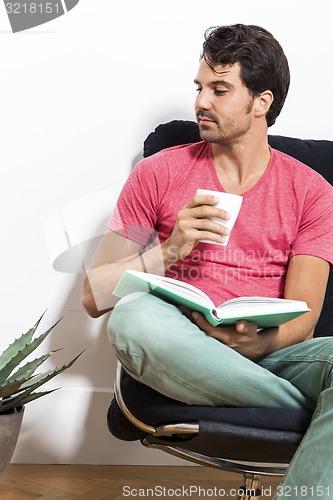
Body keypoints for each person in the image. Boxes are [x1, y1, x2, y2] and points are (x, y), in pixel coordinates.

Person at [82, 24, 333, 498]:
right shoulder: (157, 173)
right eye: (199, 87)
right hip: (181, 344)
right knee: (133, 317)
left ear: (262, 102)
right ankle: (314, 406)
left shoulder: (313, 192)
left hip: (272, 353)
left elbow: (306, 312)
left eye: (220, 89)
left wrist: (258, 345)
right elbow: (94, 295)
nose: (201, 101)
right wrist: (171, 248)